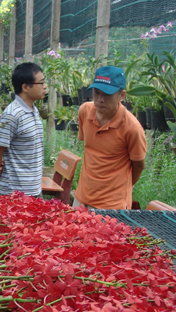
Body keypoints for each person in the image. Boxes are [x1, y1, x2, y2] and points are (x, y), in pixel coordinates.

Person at [74, 66, 147, 209]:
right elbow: (90, 150)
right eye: (96, 93)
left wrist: (121, 188)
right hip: (82, 199)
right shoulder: (85, 111)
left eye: (107, 95)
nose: (100, 99)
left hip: (112, 206)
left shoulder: (132, 128)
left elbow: (138, 166)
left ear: (122, 95)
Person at [0, 62, 46, 204]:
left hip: (34, 190)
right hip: (14, 195)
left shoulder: (33, 109)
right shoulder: (12, 114)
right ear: (26, 87)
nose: (45, 87)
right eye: (41, 83)